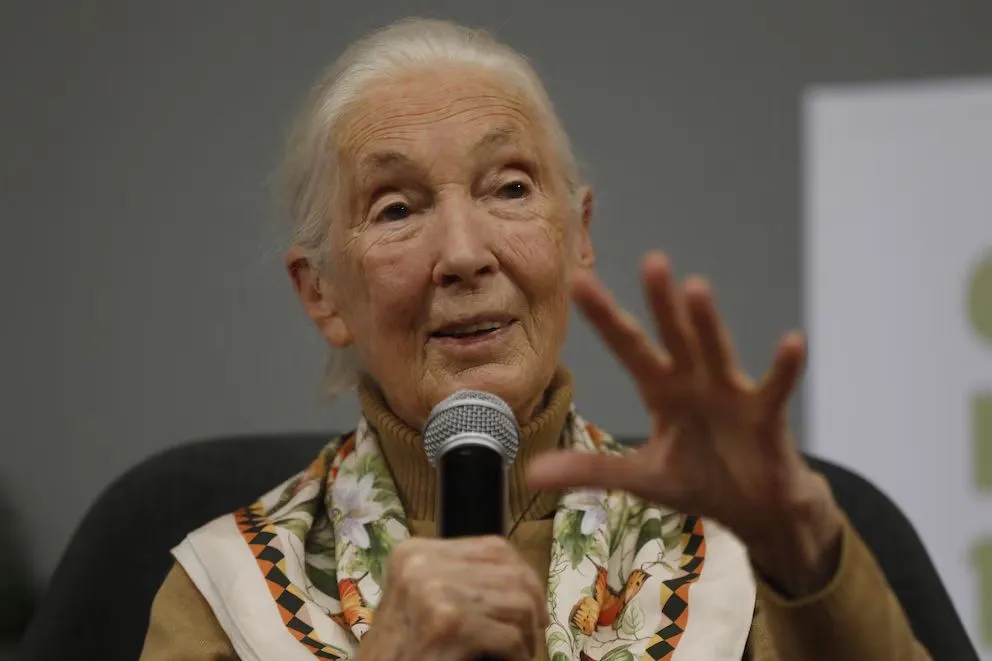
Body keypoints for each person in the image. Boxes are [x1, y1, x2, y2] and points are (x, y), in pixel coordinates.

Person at [140, 18, 928, 661]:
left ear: (578, 235)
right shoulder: (230, 589)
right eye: (396, 209)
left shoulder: (733, 555)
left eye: (509, 188)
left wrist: (807, 551)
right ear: (321, 292)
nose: (463, 254)